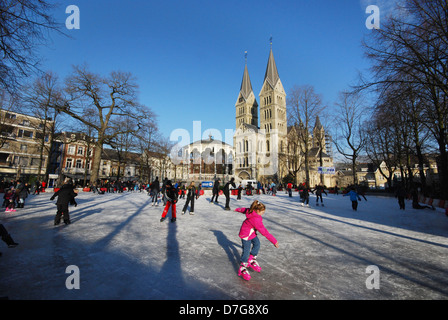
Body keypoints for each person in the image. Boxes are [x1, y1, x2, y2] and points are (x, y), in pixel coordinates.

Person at [234, 200, 279, 281]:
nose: (263, 213)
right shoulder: (256, 220)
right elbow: (264, 232)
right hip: (246, 235)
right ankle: (243, 265)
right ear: (258, 211)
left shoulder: (251, 211)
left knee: (257, 243)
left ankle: (251, 258)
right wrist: (274, 241)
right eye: (262, 212)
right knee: (246, 250)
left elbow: (244, 210)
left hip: (251, 233)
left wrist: (237, 209)